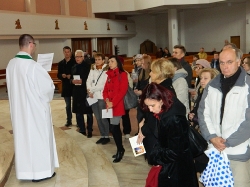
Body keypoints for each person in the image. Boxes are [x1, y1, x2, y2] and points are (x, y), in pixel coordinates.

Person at [6, 34, 59, 182]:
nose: (34, 47)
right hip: (35, 112)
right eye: (34, 44)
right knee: (39, 140)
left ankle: (25, 172)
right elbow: (48, 89)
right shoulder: (34, 66)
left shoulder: (11, 64)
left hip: (18, 112)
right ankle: (41, 172)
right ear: (30, 44)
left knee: (23, 141)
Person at [198, 48, 250, 187]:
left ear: (238, 62)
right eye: (221, 63)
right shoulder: (212, 85)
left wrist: (227, 142)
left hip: (238, 152)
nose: (225, 66)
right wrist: (212, 137)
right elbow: (203, 113)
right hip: (215, 151)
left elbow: (248, 121)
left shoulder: (247, 85)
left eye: (229, 62)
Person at [140, 83, 198, 187]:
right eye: (148, 106)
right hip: (171, 166)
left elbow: (176, 151)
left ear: (161, 100)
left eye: (152, 105)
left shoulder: (174, 119)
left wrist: (155, 157)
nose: (150, 110)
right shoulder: (164, 111)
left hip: (176, 170)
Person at [137, 59, 176, 162]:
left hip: (155, 134)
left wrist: (143, 128)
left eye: (153, 71)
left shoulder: (163, 90)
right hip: (150, 129)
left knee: (157, 164)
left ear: (160, 73)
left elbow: (156, 118)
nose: (150, 73)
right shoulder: (161, 87)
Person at [103, 55, 128, 163]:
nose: (110, 63)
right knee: (114, 128)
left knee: (114, 128)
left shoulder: (122, 74)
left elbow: (122, 91)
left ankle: (120, 150)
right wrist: (107, 100)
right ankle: (120, 149)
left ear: (117, 62)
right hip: (109, 105)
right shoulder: (108, 75)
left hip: (117, 105)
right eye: (109, 61)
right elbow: (104, 90)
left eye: (112, 61)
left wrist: (113, 102)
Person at [86, 52, 110, 144]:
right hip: (93, 96)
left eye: (99, 59)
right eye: (96, 59)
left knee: (103, 118)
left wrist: (91, 90)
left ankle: (106, 136)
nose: (97, 61)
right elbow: (88, 80)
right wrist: (89, 91)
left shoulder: (106, 69)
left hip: (102, 97)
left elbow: (103, 84)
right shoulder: (92, 68)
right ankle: (102, 135)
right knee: (97, 118)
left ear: (103, 60)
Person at [71, 50, 93, 137]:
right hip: (76, 92)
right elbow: (70, 78)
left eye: (79, 56)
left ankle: (90, 130)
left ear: (83, 57)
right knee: (78, 113)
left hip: (86, 92)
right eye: (76, 57)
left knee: (89, 112)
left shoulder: (88, 67)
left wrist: (82, 81)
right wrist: (72, 81)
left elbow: (91, 79)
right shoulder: (73, 67)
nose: (77, 58)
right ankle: (82, 129)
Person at [57, 46, 76, 127]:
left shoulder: (74, 62)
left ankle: (79, 121)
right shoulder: (61, 63)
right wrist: (62, 75)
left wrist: (71, 76)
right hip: (66, 86)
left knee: (76, 104)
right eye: (65, 52)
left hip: (74, 86)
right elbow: (58, 74)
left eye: (68, 52)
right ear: (63, 52)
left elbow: (78, 74)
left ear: (70, 53)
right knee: (68, 105)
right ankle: (69, 120)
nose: (67, 53)